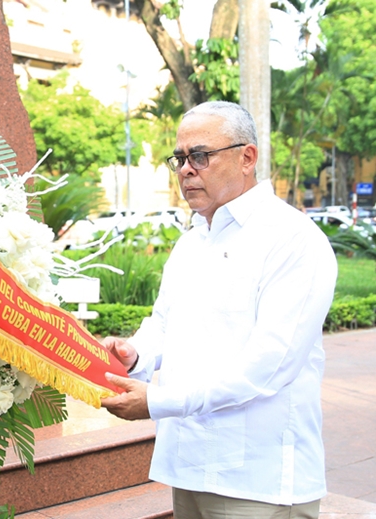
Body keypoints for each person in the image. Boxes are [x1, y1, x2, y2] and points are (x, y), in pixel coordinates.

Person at [100, 101, 337, 519]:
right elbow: (164, 325)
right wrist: (136, 354)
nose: (186, 170)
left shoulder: (293, 239)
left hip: (258, 480)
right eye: (180, 159)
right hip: (188, 465)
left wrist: (160, 402)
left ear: (247, 157)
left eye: (200, 156)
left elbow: (270, 365)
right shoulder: (193, 239)